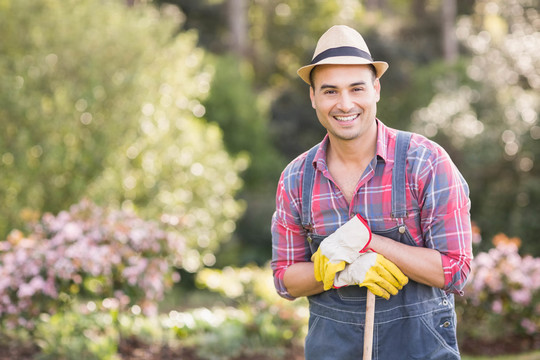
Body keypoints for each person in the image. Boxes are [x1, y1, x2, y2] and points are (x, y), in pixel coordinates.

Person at [271, 25, 473, 360]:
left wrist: (368, 242)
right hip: (332, 349)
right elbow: (285, 279)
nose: (345, 104)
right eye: (330, 91)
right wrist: (344, 272)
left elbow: (455, 270)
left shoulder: (424, 162)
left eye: (357, 88)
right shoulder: (296, 178)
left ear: (376, 89)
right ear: (313, 97)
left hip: (419, 349)